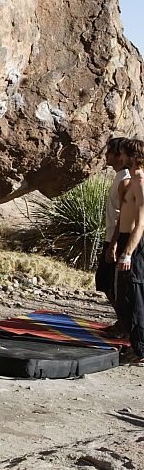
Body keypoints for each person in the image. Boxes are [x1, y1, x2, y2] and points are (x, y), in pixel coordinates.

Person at [114, 137, 144, 366]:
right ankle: (136, 343)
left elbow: (141, 222)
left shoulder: (141, 180)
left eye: (123, 153)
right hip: (126, 238)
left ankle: (140, 348)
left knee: (134, 294)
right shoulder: (132, 179)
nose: (121, 157)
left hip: (136, 241)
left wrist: (128, 252)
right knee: (124, 292)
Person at [95, 137, 130, 325]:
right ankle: (121, 322)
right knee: (106, 282)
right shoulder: (119, 177)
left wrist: (115, 243)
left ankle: (125, 324)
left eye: (109, 152)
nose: (105, 155)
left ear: (119, 156)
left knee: (113, 284)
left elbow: (125, 213)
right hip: (111, 235)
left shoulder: (126, 179)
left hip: (117, 237)